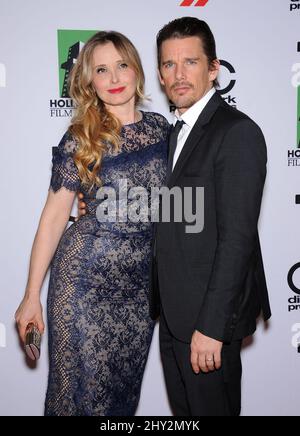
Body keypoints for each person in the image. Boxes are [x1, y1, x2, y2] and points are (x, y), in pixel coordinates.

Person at [15, 31, 169, 416]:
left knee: (120, 404)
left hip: (140, 292)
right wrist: (31, 294)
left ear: (136, 69)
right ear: (89, 81)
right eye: (102, 69)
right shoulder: (80, 138)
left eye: (121, 65)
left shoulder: (163, 130)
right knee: (76, 400)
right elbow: (52, 218)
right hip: (84, 283)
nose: (114, 78)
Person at [150, 17, 271, 416]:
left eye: (191, 62)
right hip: (173, 319)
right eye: (169, 64)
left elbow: (237, 240)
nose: (179, 74)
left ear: (214, 69)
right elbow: (172, 215)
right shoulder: (173, 134)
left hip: (206, 327)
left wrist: (212, 328)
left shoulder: (236, 132)